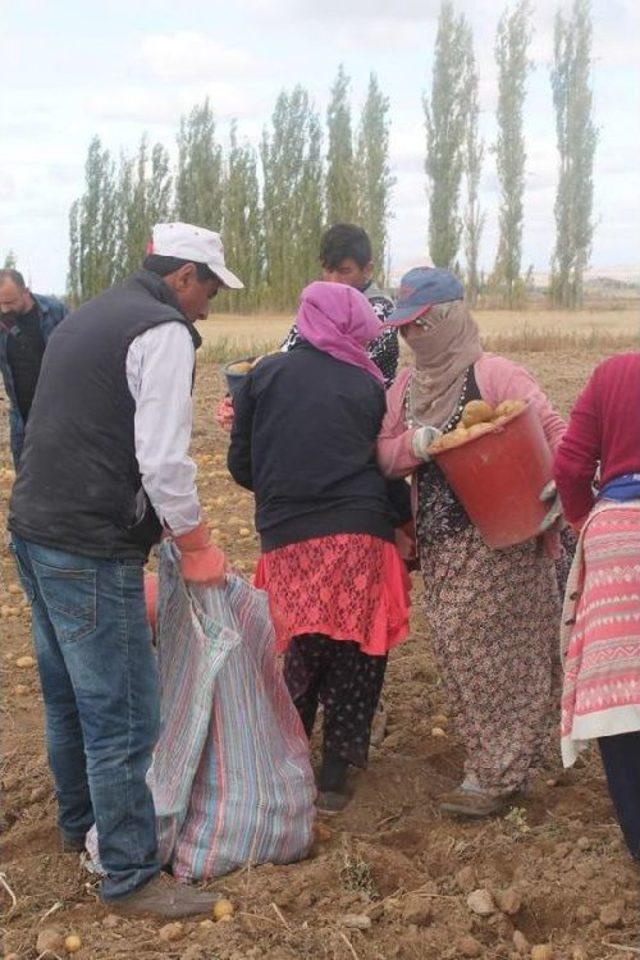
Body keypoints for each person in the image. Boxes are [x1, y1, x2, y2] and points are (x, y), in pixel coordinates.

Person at [8, 222, 243, 916]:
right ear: (181, 277)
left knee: (66, 695)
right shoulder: (162, 332)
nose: (209, 306)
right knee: (124, 714)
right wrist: (196, 541)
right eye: (208, 289)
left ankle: (78, 826)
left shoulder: (89, 316)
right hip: (89, 543)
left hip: (34, 527)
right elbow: (164, 462)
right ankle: (132, 872)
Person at [377, 267, 566, 818]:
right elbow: (383, 454)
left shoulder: (495, 374)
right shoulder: (407, 390)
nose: (413, 339)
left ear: (449, 318)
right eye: (406, 331)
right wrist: (417, 444)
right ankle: (500, 761)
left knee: (509, 656)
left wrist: (559, 486)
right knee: (461, 657)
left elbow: (552, 429)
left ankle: (496, 775)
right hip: (443, 544)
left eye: (422, 326)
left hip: (506, 537)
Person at [227, 281, 410, 814]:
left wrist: (289, 484)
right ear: (351, 327)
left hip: (288, 540)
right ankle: (334, 777)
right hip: (358, 535)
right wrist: (404, 523)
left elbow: (242, 467)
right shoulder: (366, 384)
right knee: (358, 650)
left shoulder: (260, 377)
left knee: (303, 648)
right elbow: (384, 469)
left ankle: (290, 758)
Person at [554, 352, 640, 861]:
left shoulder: (615, 373)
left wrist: (587, 519)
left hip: (618, 536)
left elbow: (569, 465)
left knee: (619, 688)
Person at [215, 222, 398, 430]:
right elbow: (288, 350)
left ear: (368, 270)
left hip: (363, 423)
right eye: (329, 271)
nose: (335, 281)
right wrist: (239, 394)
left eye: (345, 271)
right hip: (316, 414)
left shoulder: (379, 313)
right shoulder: (319, 305)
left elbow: (338, 370)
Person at [0, 268, 67, 467]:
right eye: (0, 302)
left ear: (25, 292)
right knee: (25, 480)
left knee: (61, 474)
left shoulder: (55, 312)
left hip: (58, 414)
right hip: (22, 417)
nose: (4, 309)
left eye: (10, 302)